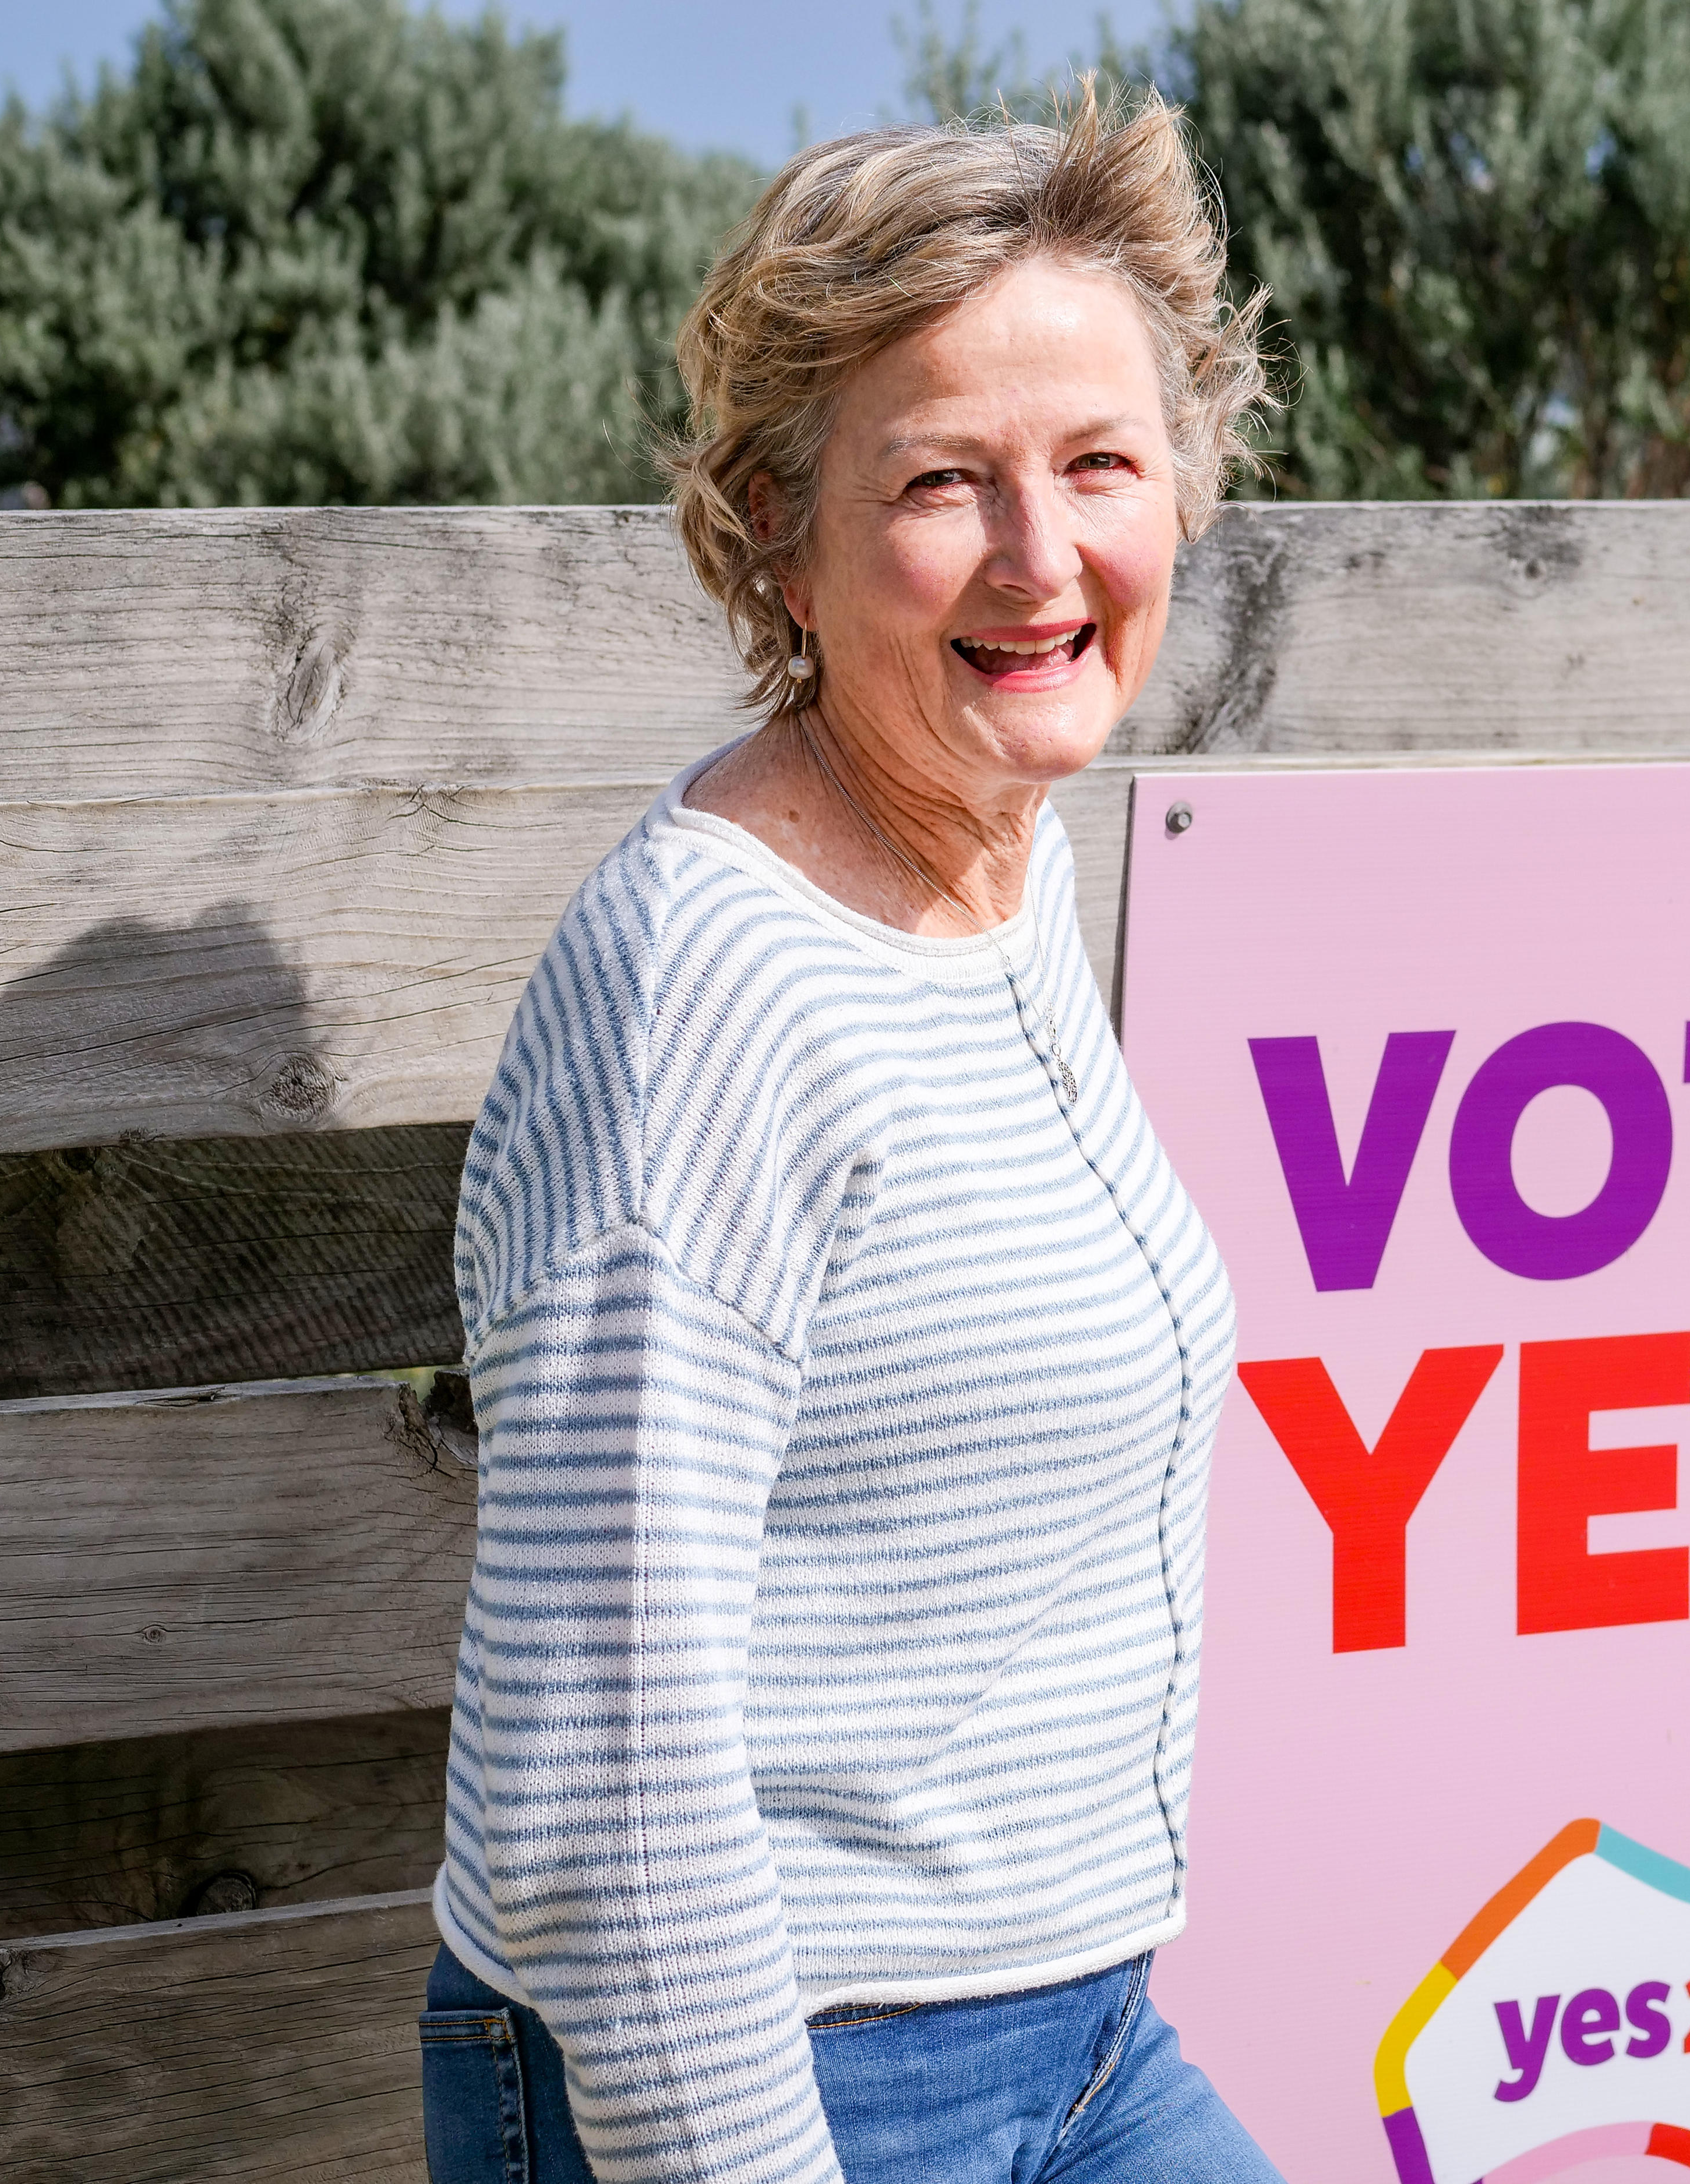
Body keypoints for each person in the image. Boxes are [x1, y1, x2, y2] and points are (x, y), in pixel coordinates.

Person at [414, 93, 1280, 2184]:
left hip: (1082, 2042)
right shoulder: (705, 987)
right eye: (943, 482)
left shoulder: (997, 859)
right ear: (779, 536)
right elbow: (602, 1783)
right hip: (762, 2080)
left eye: (1099, 463)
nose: (1043, 557)